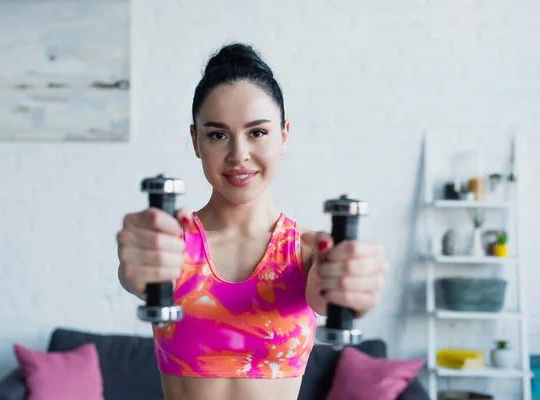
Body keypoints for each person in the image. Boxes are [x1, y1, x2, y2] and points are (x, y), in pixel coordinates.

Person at [117, 42, 389, 400]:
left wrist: (351, 285)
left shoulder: (310, 253)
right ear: (196, 141)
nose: (238, 155)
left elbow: (330, 291)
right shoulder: (168, 248)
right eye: (217, 135)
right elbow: (137, 272)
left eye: (257, 132)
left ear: (283, 136)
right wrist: (134, 257)